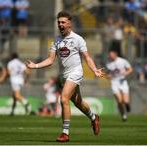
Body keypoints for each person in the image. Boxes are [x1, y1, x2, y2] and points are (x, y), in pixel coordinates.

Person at [26, 11, 104, 142]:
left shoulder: (78, 39)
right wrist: (35, 66)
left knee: (63, 99)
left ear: (69, 23)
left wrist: (95, 70)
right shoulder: (56, 40)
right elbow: (50, 60)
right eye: (58, 22)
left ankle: (65, 133)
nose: (60, 24)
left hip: (76, 72)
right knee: (78, 102)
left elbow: (87, 57)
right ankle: (93, 117)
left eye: (63, 22)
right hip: (65, 75)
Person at [106, 50, 133, 121]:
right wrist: (108, 76)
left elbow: (130, 69)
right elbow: (108, 74)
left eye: (111, 55)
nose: (110, 56)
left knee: (125, 101)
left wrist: (126, 73)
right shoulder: (108, 63)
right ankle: (123, 115)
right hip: (114, 82)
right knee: (119, 101)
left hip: (123, 81)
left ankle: (127, 105)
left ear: (115, 55)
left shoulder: (123, 61)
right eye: (109, 55)